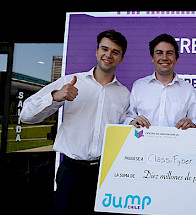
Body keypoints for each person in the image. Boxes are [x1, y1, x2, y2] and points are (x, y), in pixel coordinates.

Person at [20, 30, 130, 214]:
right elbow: (26, 116)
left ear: (121, 58)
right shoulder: (71, 82)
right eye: (104, 49)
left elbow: (124, 130)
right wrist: (55, 96)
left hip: (104, 174)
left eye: (115, 52)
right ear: (96, 52)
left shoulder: (124, 94)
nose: (108, 55)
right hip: (71, 171)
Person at [123, 33, 196, 129]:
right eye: (159, 53)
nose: (164, 58)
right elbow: (127, 118)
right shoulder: (139, 86)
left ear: (176, 59)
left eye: (169, 53)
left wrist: (192, 124)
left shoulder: (187, 89)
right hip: (142, 142)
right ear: (152, 58)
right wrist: (132, 122)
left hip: (177, 144)